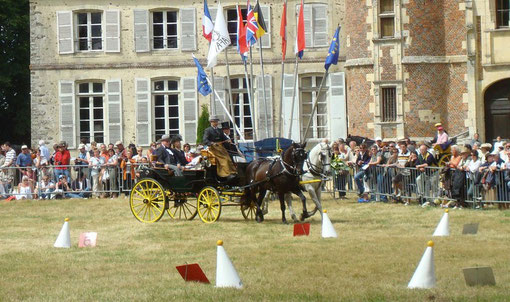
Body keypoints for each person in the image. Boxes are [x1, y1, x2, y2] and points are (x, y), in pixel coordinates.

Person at [202, 115, 237, 180]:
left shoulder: (219, 130)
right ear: (211, 122)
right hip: (213, 148)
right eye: (215, 122)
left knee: (228, 158)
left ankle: (232, 172)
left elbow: (223, 137)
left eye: (217, 122)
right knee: (224, 159)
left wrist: (228, 140)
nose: (216, 123)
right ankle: (226, 174)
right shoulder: (208, 130)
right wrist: (212, 143)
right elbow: (205, 140)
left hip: (220, 147)